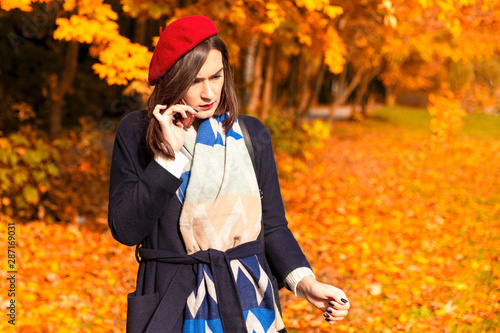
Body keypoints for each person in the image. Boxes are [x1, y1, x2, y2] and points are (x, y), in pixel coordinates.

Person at [108, 15, 349, 333]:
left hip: (250, 303)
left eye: (216, 77)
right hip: (170, 305)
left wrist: (306, 283)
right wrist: (167, 157)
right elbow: (126, 229)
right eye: (195, 81)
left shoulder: (252, 135)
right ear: (173, 80)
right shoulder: (137, 133)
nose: (209, 93)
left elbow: (273, 228)